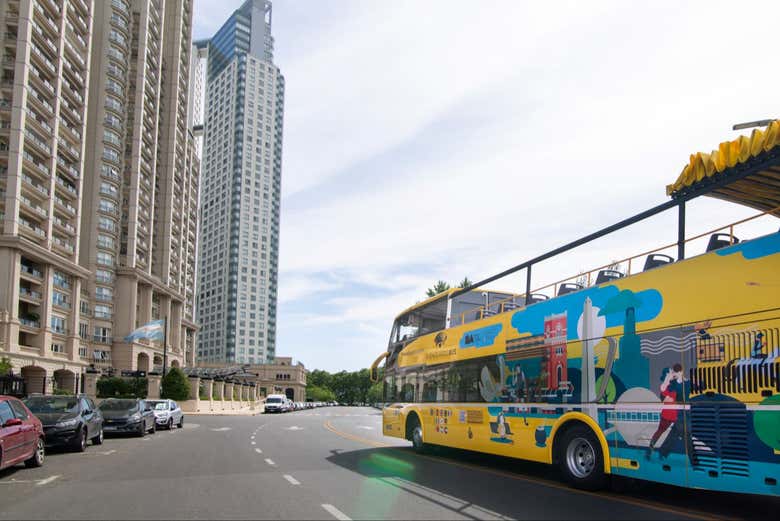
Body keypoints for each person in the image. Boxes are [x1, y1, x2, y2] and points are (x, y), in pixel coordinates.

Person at [646, 364, 681, 460]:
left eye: (673, 372)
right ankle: (649, 451)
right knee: (659, 432)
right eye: (670, 372)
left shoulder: (675, 385)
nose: (673, 373)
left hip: (676, 415)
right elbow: (667, 400)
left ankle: (662, 453)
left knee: (678, 434)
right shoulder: (665, 387)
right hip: (667, 415)